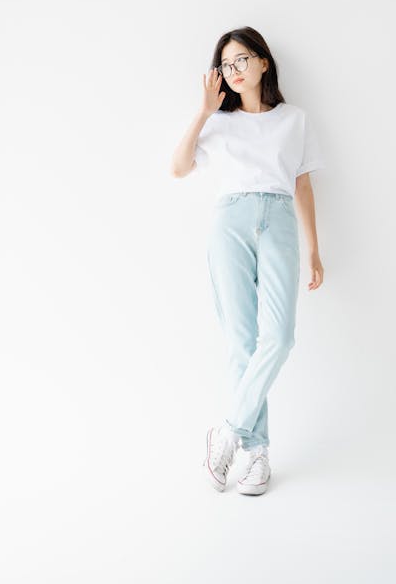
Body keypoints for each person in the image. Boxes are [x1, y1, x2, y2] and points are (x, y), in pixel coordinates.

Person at [171, 26, 325, 495]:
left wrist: (315, 247)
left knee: (278, 337)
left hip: (277, 220)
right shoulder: (218, 121)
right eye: (225, 65)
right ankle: (256, 454)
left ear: (263, 61)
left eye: (241, 60)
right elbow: (178, 168)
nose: (234, 71)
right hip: (230, 222)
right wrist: (202, 112)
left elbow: (301, 184)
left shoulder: (294, 119)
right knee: (241, 341)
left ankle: (227, 433)